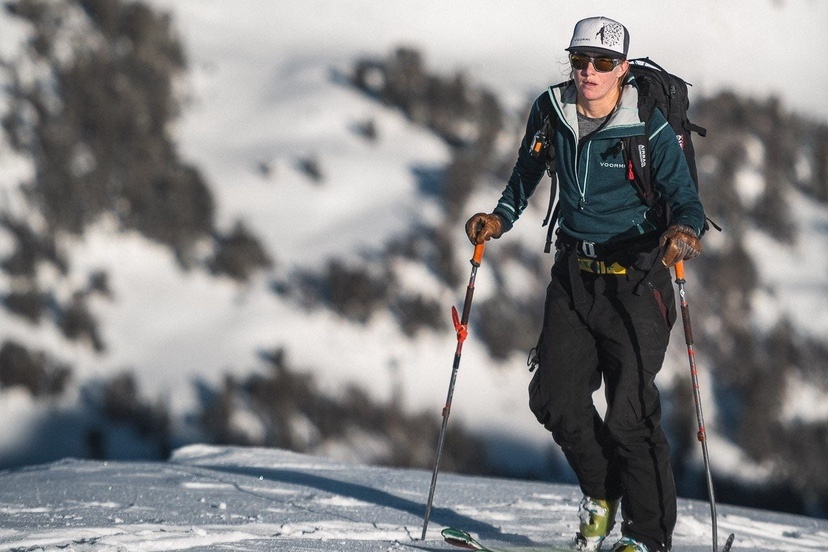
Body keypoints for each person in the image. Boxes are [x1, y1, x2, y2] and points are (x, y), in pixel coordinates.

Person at [465, 16, 705, 552]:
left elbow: (686, 198)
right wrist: (500, 218)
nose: (589, 72)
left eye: (602, 62)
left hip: (638, 281)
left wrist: (684, 231)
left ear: (623, 68)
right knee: (554, 398)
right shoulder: (551, 109)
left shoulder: (646, 123)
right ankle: (603, 490)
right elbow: (526, 172)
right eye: (580, 60)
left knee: (629, 415)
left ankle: (646, 537)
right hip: (574, 275)